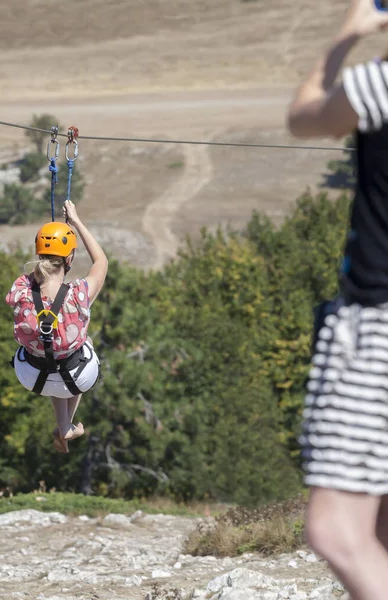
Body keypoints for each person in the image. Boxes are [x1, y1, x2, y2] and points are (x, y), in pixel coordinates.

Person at [287, 1, 388, 599]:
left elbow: (304, 118)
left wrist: (343, 40)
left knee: (337, 531)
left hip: (377, 325)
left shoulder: (379, 84)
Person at [6, 200, 108, 454]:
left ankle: (64, 424)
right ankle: (66, 423)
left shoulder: (21, 290)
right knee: (81, 346)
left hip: (32, 376)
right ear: (70, 258)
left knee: (47, 347)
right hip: (76, 378)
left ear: (39, 255)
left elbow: (34, 281)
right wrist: (75, 221)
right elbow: (101, 262)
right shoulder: (79, 295)